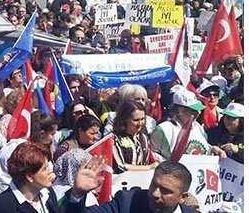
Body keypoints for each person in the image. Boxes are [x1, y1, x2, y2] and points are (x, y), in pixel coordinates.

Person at [66, 160, 198, 213]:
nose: (155, 193)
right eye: (154, 185)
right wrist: (77, 194)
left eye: (166, 191)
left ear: (183, 197)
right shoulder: (127, 202)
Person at [150, 85, 226, 162]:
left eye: (198, 110)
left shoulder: (198, 127)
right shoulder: (163, 130)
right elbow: (152, 154)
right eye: (193, 110)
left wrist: (213, 149)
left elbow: (202, 149)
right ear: (180, 111)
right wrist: (167, 165)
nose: (198, 113)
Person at [0, 142, 60, 213]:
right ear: (29, 176)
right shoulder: (3, 207)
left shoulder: (48, 193)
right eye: (44, 169)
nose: (50, 171)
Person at [111, 101, 157, 173]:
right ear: (125, 119)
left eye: (142, 119)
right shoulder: (114, 139)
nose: (140, 123)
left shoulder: (143, 137)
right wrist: (149, 167)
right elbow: (121, 166)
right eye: (136, 120)